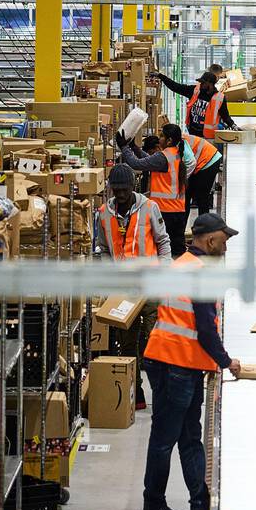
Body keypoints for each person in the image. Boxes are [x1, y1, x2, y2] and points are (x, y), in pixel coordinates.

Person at [139, 213, 243, 510]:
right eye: (223, 243)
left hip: (180, 364)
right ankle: (154, 505)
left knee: (188, 437)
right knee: (165, 439)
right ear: (210, 240)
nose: (225, 250)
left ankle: (200, 506)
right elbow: (205, 329)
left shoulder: (183, 263)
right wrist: (227, 362)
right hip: (174, 366)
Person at [94, 163, 169, 409]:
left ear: (133, 187)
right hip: (123, 292)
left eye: (125, 189)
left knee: (153, 342)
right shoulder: (104, 213)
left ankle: (161, 394)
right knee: (127, 345)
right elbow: (105, 249)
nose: (121, 194)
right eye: (117, 190)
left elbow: (163, 242)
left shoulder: (149, 208)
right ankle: (136, 394)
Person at [117, 127, 189, 256]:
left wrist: (124, 147)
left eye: (161, 136)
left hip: (165, 211)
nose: (159, 138)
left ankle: (167, 272)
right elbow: (148, 161)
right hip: (178, 210)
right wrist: (134, 147)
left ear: (169, 140)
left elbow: (136, 164)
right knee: (177, 248)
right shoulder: (174, 153)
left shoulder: (163, 157)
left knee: (164, 248)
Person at [156, 67, 237, 139]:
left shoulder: (219, 98)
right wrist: (161, 76)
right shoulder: (194, 91)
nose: (200, 84)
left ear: (210, 84)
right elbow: (176, 87)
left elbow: (225, 116)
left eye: (203, 82)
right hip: (193, 133)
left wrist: (233, 126)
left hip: (208, 137)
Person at [178, 127, 223, 217]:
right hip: (203, 160)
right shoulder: (174, 141)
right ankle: (183, 228)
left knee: (202, 197)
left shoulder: (179, 142)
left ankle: (204, 227)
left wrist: (184, 179)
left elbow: (191, 163)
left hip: (209, 161)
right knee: (187, 195)